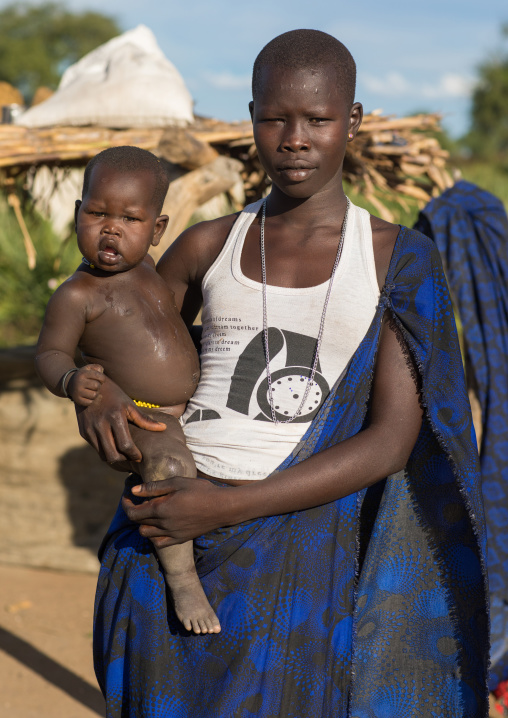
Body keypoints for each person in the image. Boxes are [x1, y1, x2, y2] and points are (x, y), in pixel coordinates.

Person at [82, 30, 488, 717]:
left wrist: (230, 505)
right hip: (165, 538)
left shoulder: (398, 260)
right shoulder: (210, 244)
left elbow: (392, 440)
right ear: (252, 118)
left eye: (318, 120)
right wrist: (101, 405)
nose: (295, 138)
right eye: (275, 118)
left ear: (351, 121)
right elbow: (112, 335)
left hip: (296, 556)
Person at [35, 146, 221, 635]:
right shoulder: (77, 295)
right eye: (97, 213)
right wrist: (73, 381)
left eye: (130, 219)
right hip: (142, 412)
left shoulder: (151, 270)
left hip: (193, 405)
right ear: (78, 214)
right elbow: (49, 354)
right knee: (169, 468)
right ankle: (183, 580)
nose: (111, 228)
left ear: (155, 230)